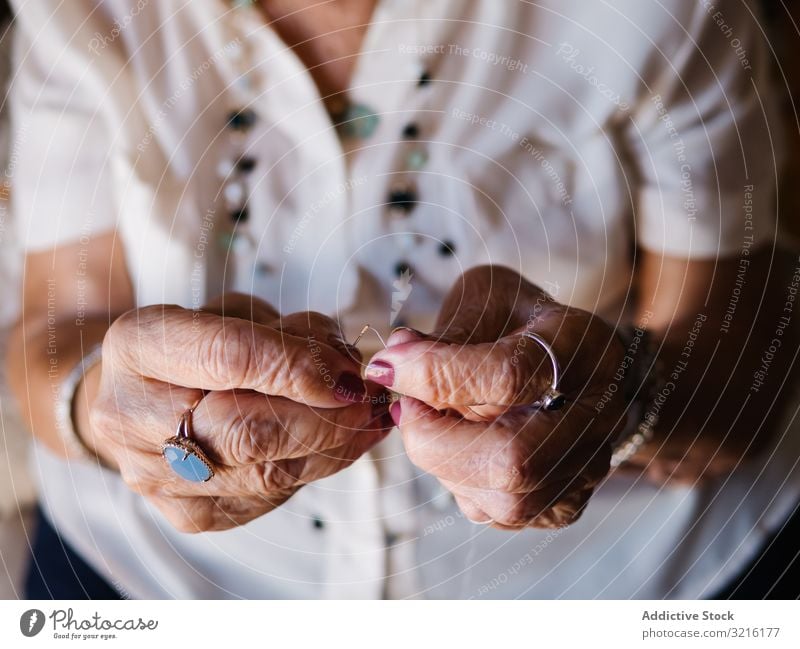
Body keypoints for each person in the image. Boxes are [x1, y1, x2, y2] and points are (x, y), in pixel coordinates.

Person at [6, 0, 799, 599]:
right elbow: (53, 331)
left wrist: (626, 394)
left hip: (621, 576)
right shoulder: (83, 13)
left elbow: (747, 370)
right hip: (167, 580)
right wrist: (107, 414)